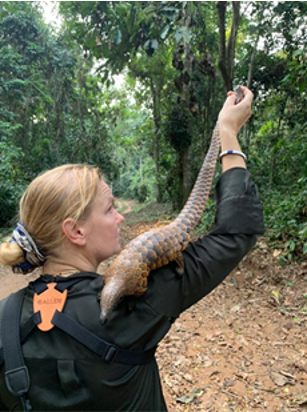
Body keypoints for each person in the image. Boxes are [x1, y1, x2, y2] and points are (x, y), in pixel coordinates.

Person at [0, 86, 264, 412]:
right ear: (75, 230)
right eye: (110, 208)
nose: (121, 216)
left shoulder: (4, 319)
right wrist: (227, 132)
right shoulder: (135, 304)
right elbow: (237, 232)